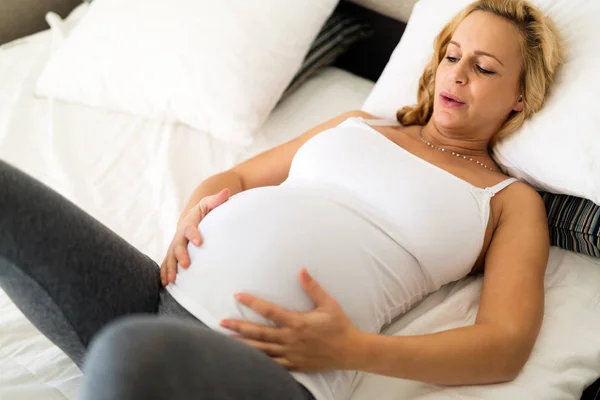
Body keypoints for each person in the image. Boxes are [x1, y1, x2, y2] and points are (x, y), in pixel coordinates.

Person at [0, 0, 563, 399]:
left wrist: (352, 350)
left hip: (271, 363)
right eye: (452, 55)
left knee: (126, 359)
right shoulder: (360, 123)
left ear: (519, 96)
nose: (458, 74)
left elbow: (504, 345)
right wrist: (190, 217)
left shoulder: (506, 200)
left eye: (484, 67)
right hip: (158, 297)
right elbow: (237, 179)